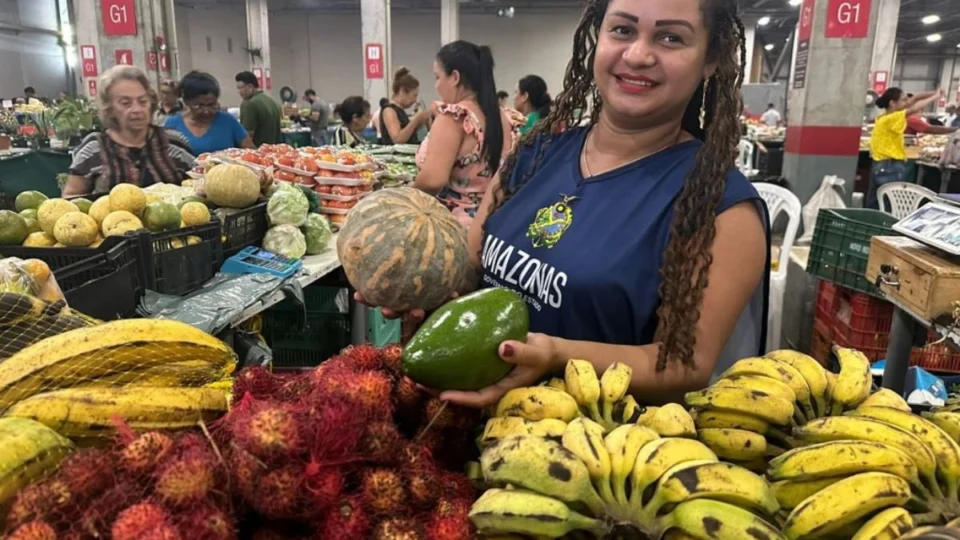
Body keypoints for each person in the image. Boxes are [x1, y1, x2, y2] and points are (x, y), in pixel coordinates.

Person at [364, 0, 769, 408]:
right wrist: (419, 286)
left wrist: (556, 357)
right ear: (598, 37)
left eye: (670, 37)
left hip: (586, 455)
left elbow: (684, 368)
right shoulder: (536, 152)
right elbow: (473, 269)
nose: (638, 55)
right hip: (463, 428)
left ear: (710, 60)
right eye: (623, 31)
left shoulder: (721, 207)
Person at [415, 40, 521, 228]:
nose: (437, 85)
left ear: (454, 77)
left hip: (456, 230)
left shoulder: (455, 118)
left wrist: (401, 197)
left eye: (437, 77)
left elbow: (433, 180)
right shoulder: (504, 118)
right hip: (497, 223)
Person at [63, 66, 195, 197]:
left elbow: (198, 188)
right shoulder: (93, 148)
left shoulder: (173, 142)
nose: (137, 109)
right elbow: (71, 199)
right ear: (109, 108)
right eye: (126, 103)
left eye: (143, 101)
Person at [868, 88, 954, 209]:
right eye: (903, 100)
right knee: (889, 204)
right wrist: (934, 98)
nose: (907, 102)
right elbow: (914, 109)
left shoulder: (883, 116)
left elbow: (914, 99)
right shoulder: (891, 118)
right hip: (889, 166)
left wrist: (935, 92)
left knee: (877, 202)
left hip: (881, 164)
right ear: (893, 103)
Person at [165, 71, 253, 154]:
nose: (206, 111)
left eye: (212, 105)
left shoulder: (228, 122)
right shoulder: (173, 125)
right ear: (186, 101)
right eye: (200, 106)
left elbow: (251, 153)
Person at [379, 67, 430, 145]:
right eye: (414, 96)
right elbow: (397, 139)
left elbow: (407, 133)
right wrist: (416, 120)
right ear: (402, 91)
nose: (415, 100)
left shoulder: (400, 111)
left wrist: (421, 121)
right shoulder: (389, 110)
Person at [235, 71, 282, 146]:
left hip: (257, 153)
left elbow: (247, 135)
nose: (239, 91)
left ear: (250, 86)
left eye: (240, 88)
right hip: (274, 152)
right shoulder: (271, 101)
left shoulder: (249, 104)